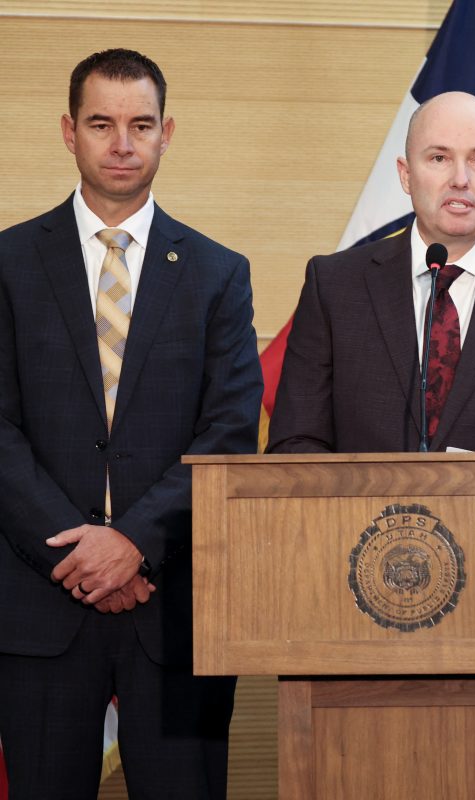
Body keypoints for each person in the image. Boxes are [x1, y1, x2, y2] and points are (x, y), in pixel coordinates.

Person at [0, 49, 261, 798]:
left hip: (176, 610)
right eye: (101, 124)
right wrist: (81, 555)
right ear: (68, 132)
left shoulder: (218, 273)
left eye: (141, 125)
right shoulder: (9, 263)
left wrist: (135, 544)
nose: (122, 143)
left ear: (166, 134)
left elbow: (228, 434)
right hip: (40, 606)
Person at [267, 91, 475, 454]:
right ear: (406, 174)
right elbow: (295, 443)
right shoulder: (335, 287)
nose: (460, 179)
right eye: (439, 158)